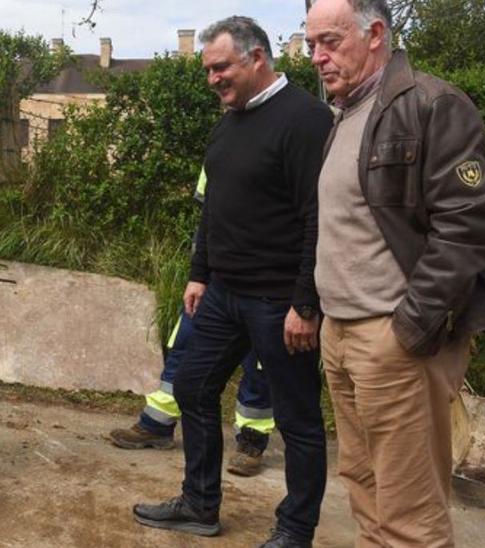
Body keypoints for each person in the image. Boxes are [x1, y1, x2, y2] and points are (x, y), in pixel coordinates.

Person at [305, 1, 485, 545]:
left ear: (375, 33)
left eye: (329, 41)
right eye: (310, 45)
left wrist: (411, 325)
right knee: (365, 486)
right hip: (342, 333)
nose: (317, 57)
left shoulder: (431, 103)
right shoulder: (346, 113)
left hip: (392, 341)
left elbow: (474, 227)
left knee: (409, 513)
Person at [131, 16, 332, 548]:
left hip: (279, 301)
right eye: (208, 70)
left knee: (298, 419)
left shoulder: (305, 120)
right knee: (193, 386)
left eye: (221, 68)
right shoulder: (230, 120)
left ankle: (295, 530)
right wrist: (200, 274)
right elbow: (213, 207)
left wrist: (306, 304)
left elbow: (319, 217)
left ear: (257, 58)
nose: (212, 79)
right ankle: (199, 503)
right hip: (224, 294)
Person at [109, 171, 277, 478]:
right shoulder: (224, 138)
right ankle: (158, 423)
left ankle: (252, 439)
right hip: (215, 274)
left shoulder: (287, 135)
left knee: (259, 360)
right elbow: (208, 214)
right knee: (184, 343)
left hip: (264, 279)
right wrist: (199, 272)